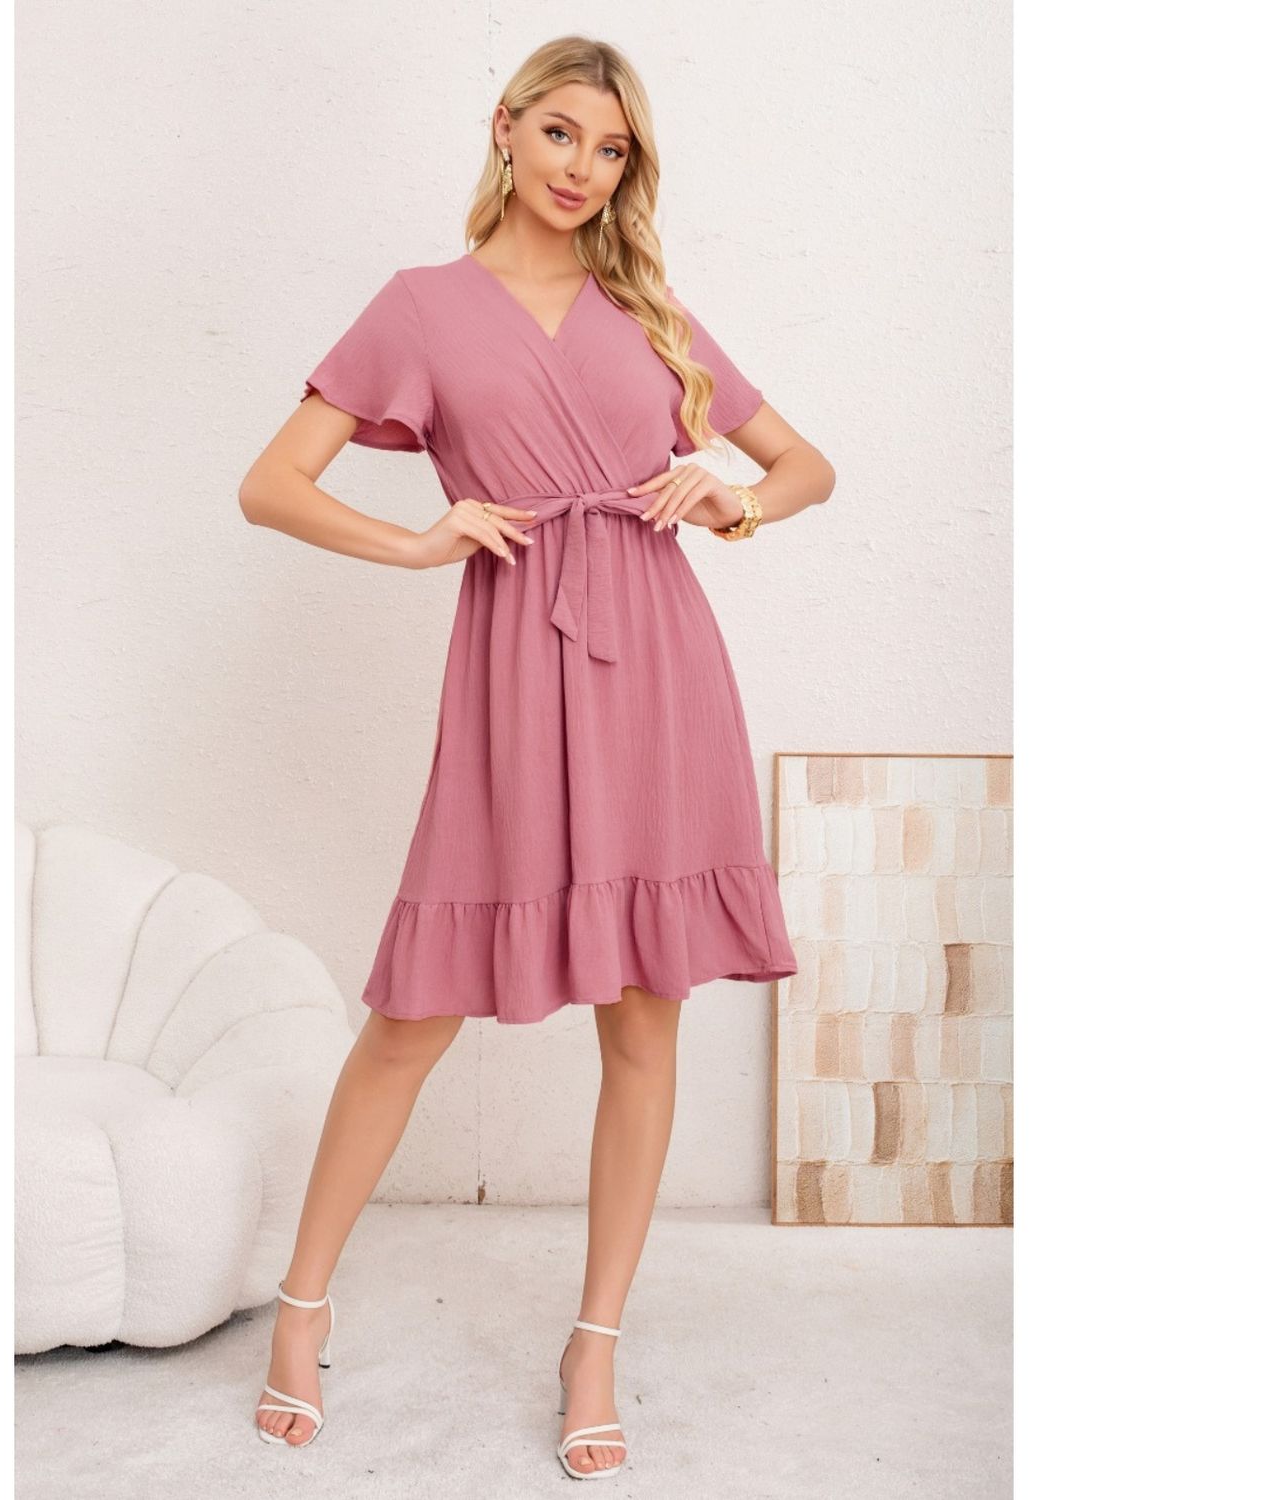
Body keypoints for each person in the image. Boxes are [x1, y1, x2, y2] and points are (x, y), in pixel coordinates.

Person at [235, 33, 834, 1479]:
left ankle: (595, 1344)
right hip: (513, 667)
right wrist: (419, 540)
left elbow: (806, 465)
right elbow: (271, 484)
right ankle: (302, 1311)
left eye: (612, 149)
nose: (583, 169)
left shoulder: (649, 309)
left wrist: (732, 500)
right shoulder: (421, 308)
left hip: (661, 672)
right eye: (562, 133)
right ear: (505, 128)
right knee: (413, 1015)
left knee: (645, 1022)